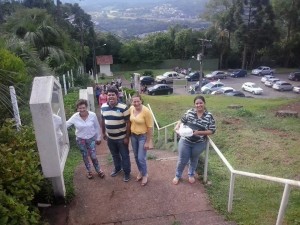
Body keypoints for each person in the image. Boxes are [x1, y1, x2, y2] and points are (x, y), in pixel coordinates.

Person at [173, 95, 216, 185]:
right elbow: (181, 120)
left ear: (204, 103)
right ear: (194, 104)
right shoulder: (190, 112)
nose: (199, 105)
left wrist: (198, 133)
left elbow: (212, 131)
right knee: (182, 160)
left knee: (194, 159)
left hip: (199, 143)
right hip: (185, 141)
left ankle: (191, 174)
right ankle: (177, 175)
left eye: (200, 103)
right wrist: (177, 127)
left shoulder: (209, 116)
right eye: (197, 103)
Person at [66, 99, 105, 179]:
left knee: (93, 156)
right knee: (85, 156)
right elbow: (66, 124)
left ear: (86, 107)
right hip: (81, 140)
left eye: (83, 107)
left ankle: (98, 170)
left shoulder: (92, 115)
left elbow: (97, 127)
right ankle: (89, 171)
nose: (82, 109)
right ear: (77, 108)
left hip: (91, 139)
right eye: (80, 108)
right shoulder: (75, 117)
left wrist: (98, 137)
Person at [101, 87, 131, 182]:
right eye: (109, 95)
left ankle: (127, 173)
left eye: (113, 95)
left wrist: (127, 137)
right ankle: (117, 168)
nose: (111, 97)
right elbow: (102, 120)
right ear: (107, 96)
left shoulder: (123, 107)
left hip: (121, 138)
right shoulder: (103, 107)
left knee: (125, 156)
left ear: (117, 96)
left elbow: (128, 123)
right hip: (110, 138)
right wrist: (103, 133)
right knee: (114, 155)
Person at [129, 94, 153, 186]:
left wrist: (147, 142)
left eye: (137, 101)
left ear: (141, 101)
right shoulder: (131, 109)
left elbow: (150, 127)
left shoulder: (146, 111)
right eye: (134, 101)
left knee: (141, 157)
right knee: (135, 156)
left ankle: (145, 174)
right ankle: (141, 171)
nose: (136, 103)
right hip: (133, 136)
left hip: (142, 136)